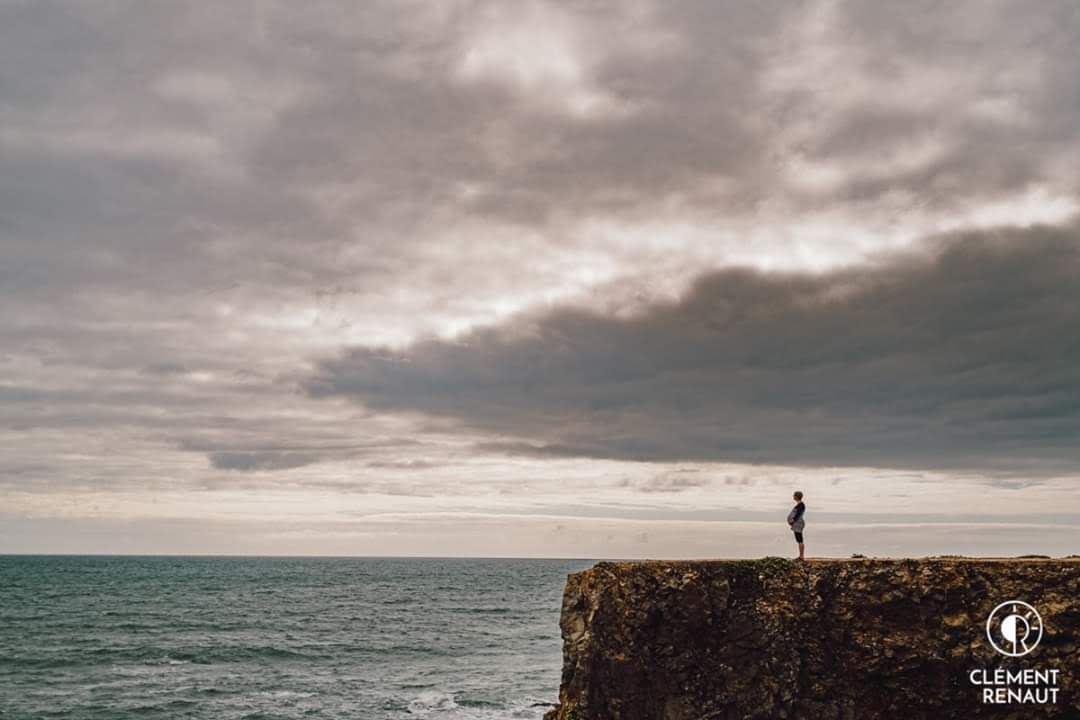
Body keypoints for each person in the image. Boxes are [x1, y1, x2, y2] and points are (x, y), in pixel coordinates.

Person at [787, 491, 806, 560]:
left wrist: (793, 521)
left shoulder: (801, 505)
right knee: (799, 539)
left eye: (794, 495)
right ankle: (801, 556)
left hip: (798, 523)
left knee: (799, 539)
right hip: (797, 523)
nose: (793, 496)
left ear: (796, 496)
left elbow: (798, 514)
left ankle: (801, 556)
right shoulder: (799, 505)